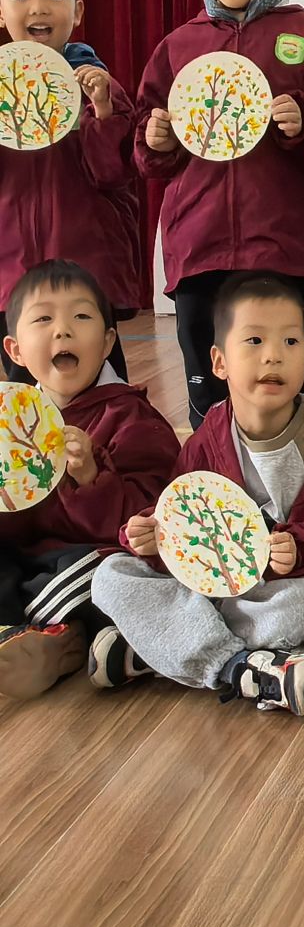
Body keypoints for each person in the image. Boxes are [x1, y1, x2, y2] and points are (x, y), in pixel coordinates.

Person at [88, 273, 304, 715]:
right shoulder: (207, 440)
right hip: (215, 591)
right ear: (219, 362)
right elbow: (182, 523)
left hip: (281, 593)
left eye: (292, 342)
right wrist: (151, 535)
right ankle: (240, 667)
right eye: (255, 340)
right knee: (112, 574)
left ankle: (163, 649)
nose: (274, 355)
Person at [133, 0, 304, 427]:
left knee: (291, 381)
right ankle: (215, 474)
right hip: (199, 248)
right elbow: (148, 142)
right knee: (208, 386)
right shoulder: (178, 47)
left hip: (287, 247)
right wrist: (155, 139)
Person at [0, 262, 177, 697]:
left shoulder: (133, 419)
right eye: (43, 318)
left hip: (91, 556)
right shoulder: (12, 423)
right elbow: (16, 530)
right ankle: (29, 634)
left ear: (108, 342)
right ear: (15, 350)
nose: (63, 330)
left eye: (81, 316)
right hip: (30, 561)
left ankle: (54, 634)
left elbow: (150, 520)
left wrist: (90, 476)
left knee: (97, 573)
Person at [0, 0, 145, 378]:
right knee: (26, 398)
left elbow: (114, 173)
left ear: (77, 11)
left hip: (87, 274)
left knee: (104, 392)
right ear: (1, 10)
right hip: (13, 277)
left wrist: (101, 110)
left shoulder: (99, 87)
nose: (38, 7)